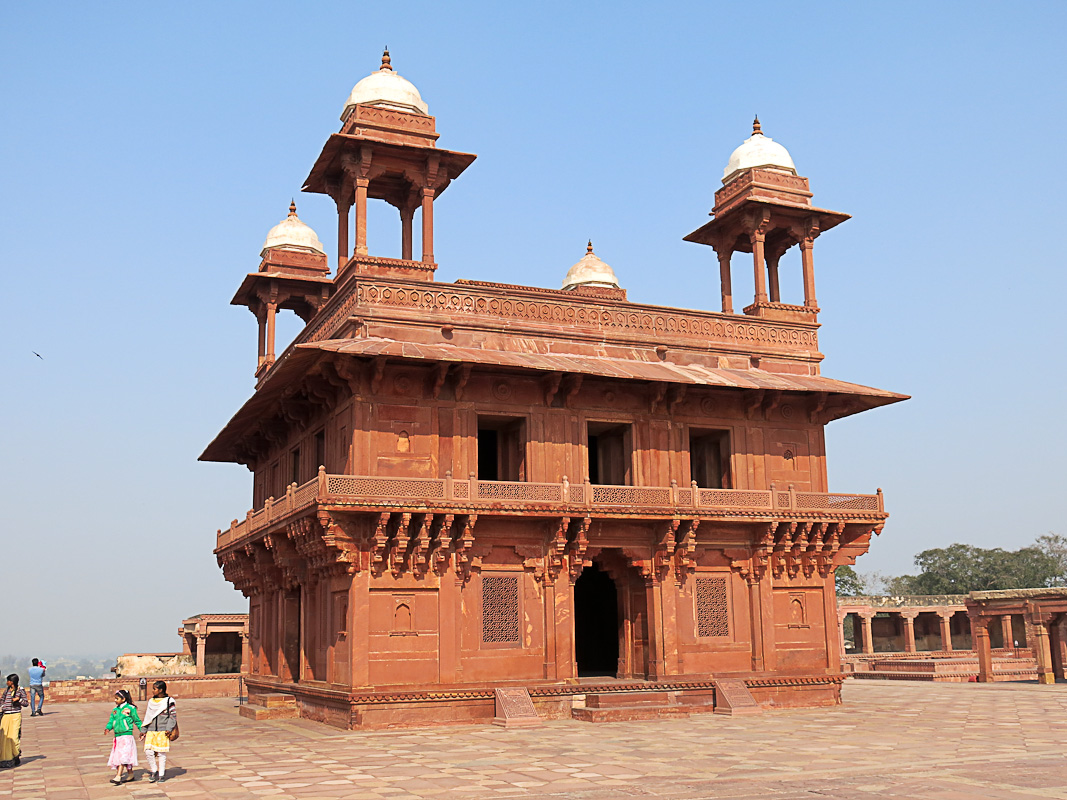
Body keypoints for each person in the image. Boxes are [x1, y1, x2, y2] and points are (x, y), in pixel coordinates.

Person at [139, 680, 177, 783]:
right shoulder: (151, 702)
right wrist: (144, 730)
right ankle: (154, 770)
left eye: (154, 689)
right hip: (151, 730)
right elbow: (148, 716)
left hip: (163, 730)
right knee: (148, 751)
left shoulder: (169, 701)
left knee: (161, 753)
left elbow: (172, 717)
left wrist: (168, 729)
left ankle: (161, 774)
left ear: (161, 690)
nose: (153, 691)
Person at [104, 689, 142, 785]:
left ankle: (118, 776)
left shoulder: (130, 708)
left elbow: (137, 720)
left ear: (123, 699)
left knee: (123, 756)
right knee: (121, 755)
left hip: (126, 736)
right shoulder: (115, 710)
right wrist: (108, 728)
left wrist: (143, 730)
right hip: (118, 737)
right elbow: (111, 721)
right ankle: (130, 774)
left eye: (117, 698)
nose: (115, 700)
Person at [0, 674, 28, 768]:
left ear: (11, 682)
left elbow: (26, 703)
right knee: (4, 738)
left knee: (14, 738)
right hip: (6, 715)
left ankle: (16, 754)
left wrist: (18, 700)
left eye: (8, 681)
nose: (6, 682)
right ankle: (6, 759)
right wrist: (3, 707)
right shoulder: (6, 691)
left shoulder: (20, 690)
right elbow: (2, 701)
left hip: (15, 715)